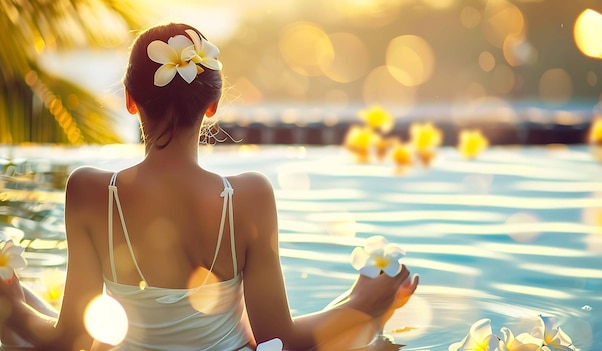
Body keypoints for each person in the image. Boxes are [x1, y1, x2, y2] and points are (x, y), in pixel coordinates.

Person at [0, 22, 418, 351]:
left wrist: (14, 310)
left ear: (130, 99)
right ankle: (366, 310)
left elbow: (69, 342)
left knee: (28, 307)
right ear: (213, 106)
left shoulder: (88, 191)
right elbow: (280, 340)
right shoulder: (250, 195)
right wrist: (360, 305)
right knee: (341, 331)